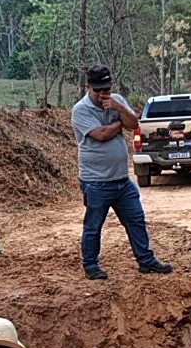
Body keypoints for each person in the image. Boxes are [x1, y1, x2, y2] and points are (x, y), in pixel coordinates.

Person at [71, 63, 173, 281]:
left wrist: (118, 108)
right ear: (88, 87)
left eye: (106, 89)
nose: (103, 94)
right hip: (96, 181)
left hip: (122, 179)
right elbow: (102, 134)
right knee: (93, 226)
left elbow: (134, 124)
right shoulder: (81, 110)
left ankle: (146, 261)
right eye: (98, 90)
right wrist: (120, 121)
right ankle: (91, 265)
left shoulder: (116, 100)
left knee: (136, 219)